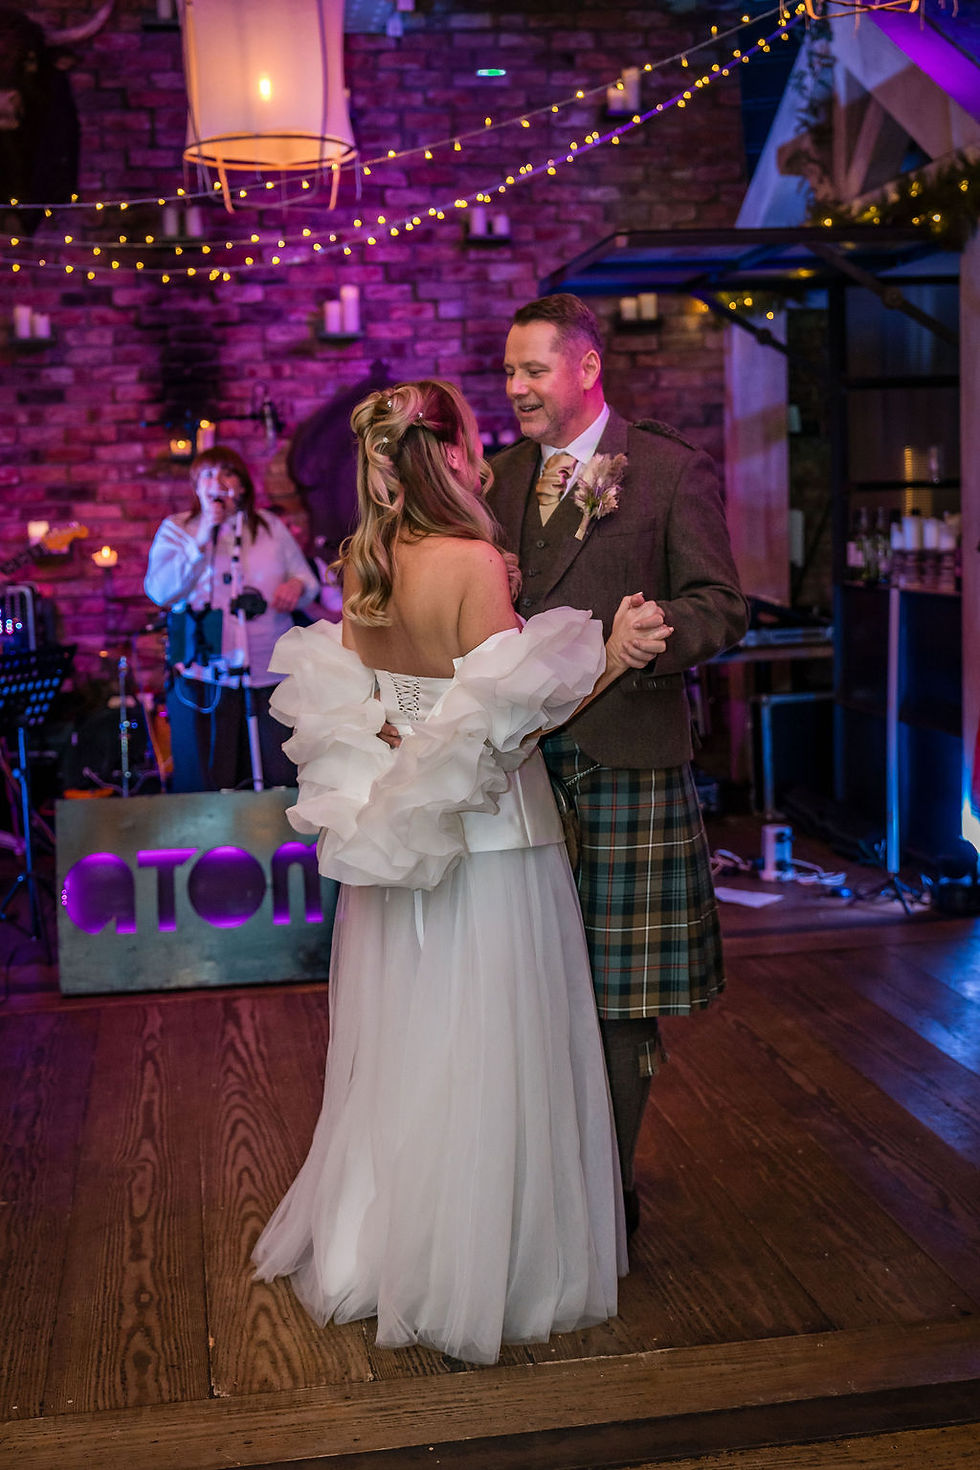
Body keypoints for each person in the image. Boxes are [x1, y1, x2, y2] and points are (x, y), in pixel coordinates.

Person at [250, 379, 670, 1365]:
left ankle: (381, 1248)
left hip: (400, 851)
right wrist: (608, 651)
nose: (487, 454)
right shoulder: (472, 563)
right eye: (475, 437)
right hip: (493, 846)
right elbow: (516, 718)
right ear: (446, 454)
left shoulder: (368, 564)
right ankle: (495, 1266)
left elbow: (390, 713)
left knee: (407, 1053)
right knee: (492, 1051)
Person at [488, 293, 749, 1232]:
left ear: (586, 368)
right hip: (521, 765)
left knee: (617, 992)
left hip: (629, 758)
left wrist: (661, 630)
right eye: (508, 370)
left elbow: (725, 603)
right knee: (524, 982)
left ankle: (607, 1193)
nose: (514, 387)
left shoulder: (671, 470)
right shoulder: (496, 477)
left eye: (532, 370)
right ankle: (537, 1180)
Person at [144, 446, 319, 792]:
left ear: (241, 485)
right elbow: (160, 592)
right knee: (213, 776)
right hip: (206, 673)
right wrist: (203, 534)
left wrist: (296, 586)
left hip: (269, 670)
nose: (217, 482)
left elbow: (308, 581)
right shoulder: (177, 529)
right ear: (196, 486)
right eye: (207, 475)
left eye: (226, 473)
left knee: (279, 773)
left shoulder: (268, 527)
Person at [268, 502, 344, 624]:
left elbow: (339, 617)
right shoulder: (258, 571)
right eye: (288, 527)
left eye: (294, 524)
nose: (298, 530)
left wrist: (306, 601)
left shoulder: (316, 564)